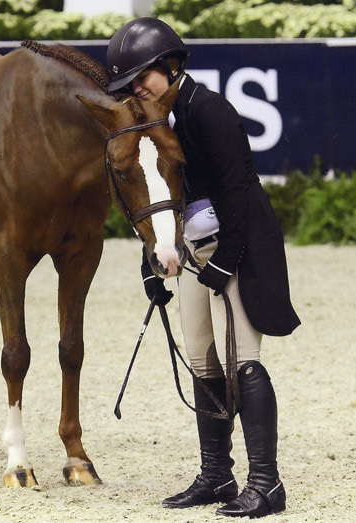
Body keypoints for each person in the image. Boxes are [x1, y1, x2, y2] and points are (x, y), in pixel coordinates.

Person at [107, 18, 301, 519]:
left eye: (143, 76)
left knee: (244, 360)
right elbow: (156, 198)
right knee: (201, 359)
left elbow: (239, 189)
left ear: (170, 65)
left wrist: (228, 262)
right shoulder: (154, 124)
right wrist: (152, 261)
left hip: (235, 245)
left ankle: (267, 483)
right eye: (130, 83)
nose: (137, 87)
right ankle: (217, 474)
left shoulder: (209, 109)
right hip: (193, 250)